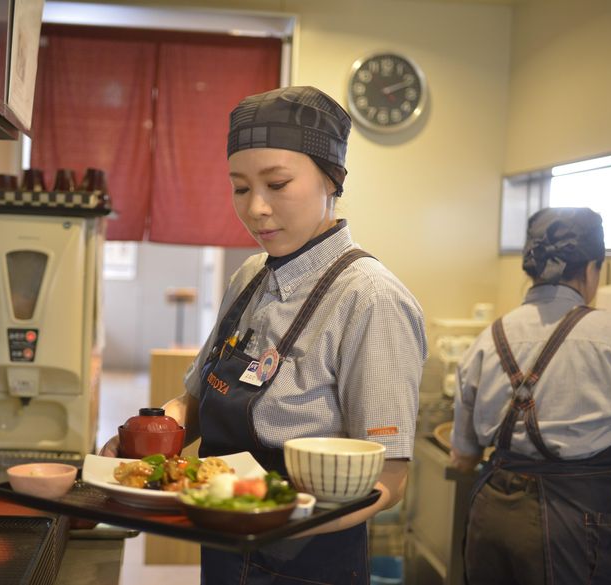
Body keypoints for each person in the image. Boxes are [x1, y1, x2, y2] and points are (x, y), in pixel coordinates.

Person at [102, 86, 427, 584]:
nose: (255, 208)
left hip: (308, 559)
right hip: (224, 543)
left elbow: (389, 478)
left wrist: (276, 520)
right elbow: (195, 400)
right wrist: (142, 445)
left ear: (332, 180)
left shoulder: (369, 298)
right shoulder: (251, 275)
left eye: (276, 184)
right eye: (239, 187)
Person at [450, 207, 611, 585]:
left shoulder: (486, 340)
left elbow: (463, 458)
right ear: (592, 268)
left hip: (493, 514)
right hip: (577, 521)